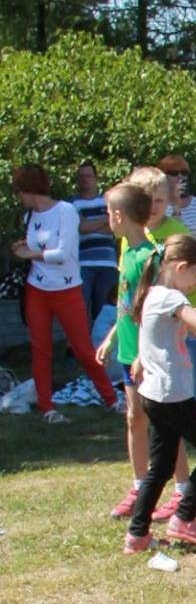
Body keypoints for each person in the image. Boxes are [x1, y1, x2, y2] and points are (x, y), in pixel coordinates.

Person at [123, 233, 196, 552]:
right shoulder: (171, 298)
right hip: (172, 395)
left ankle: (137, 534)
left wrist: (142, 359)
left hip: (154, 395)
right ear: (180, 267)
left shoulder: (151, 293)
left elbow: (150, 338)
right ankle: (184, 518)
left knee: (161, 467)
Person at [130, 167, 196, 471]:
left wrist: (192, 319)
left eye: (160, 200)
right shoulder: (134, 237)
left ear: (170, 200)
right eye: (147, 200)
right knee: (167, 401)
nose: (153, 207)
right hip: (161, 327)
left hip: (190, 323)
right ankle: (176, 472)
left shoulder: (177, 232)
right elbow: (137, 292)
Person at [98, 180, 187, 521]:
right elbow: (128, 307)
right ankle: (139, 487)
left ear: (119, 216)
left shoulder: (150, 258)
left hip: (148, 356)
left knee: (167, 423)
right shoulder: (127, 255)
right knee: (134, 418)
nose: (108, 219)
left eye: (109, 212)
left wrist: (142, 354)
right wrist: (113, 338)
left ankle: (183, 491)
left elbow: (156, 310)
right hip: (129, 353)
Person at [10, 163, 119, 422]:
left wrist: (30, 253)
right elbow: (39, 246)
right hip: (38, 289)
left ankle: (112, 400)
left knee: (83, 348)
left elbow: (63, 253)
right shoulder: (30, 217)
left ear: (28, 189)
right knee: (41, 349)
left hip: (67, 289)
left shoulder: (65, 211)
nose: (18, 196)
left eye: (19, 191)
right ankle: (47, 408)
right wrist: (24, 247)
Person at [73, 162, 120, 330]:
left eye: (88, 175)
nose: (85, 179)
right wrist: (105, 220)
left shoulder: (107, 201)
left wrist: (89, 224)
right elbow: (80, 227)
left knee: (105, 308)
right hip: (83, 263)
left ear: (95, 178)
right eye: (82, 176)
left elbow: (114, 227)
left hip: (108, 263)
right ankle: (84, 344)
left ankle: (103, 342)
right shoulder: (72, 203)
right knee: (82, 308)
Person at [159, 155, 196, 249]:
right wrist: (176, 205)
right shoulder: (157, 206)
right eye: (174, 173)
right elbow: (167, 241)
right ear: (163, 177)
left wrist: (185, 243)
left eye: (184, 173)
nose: (180, 177)